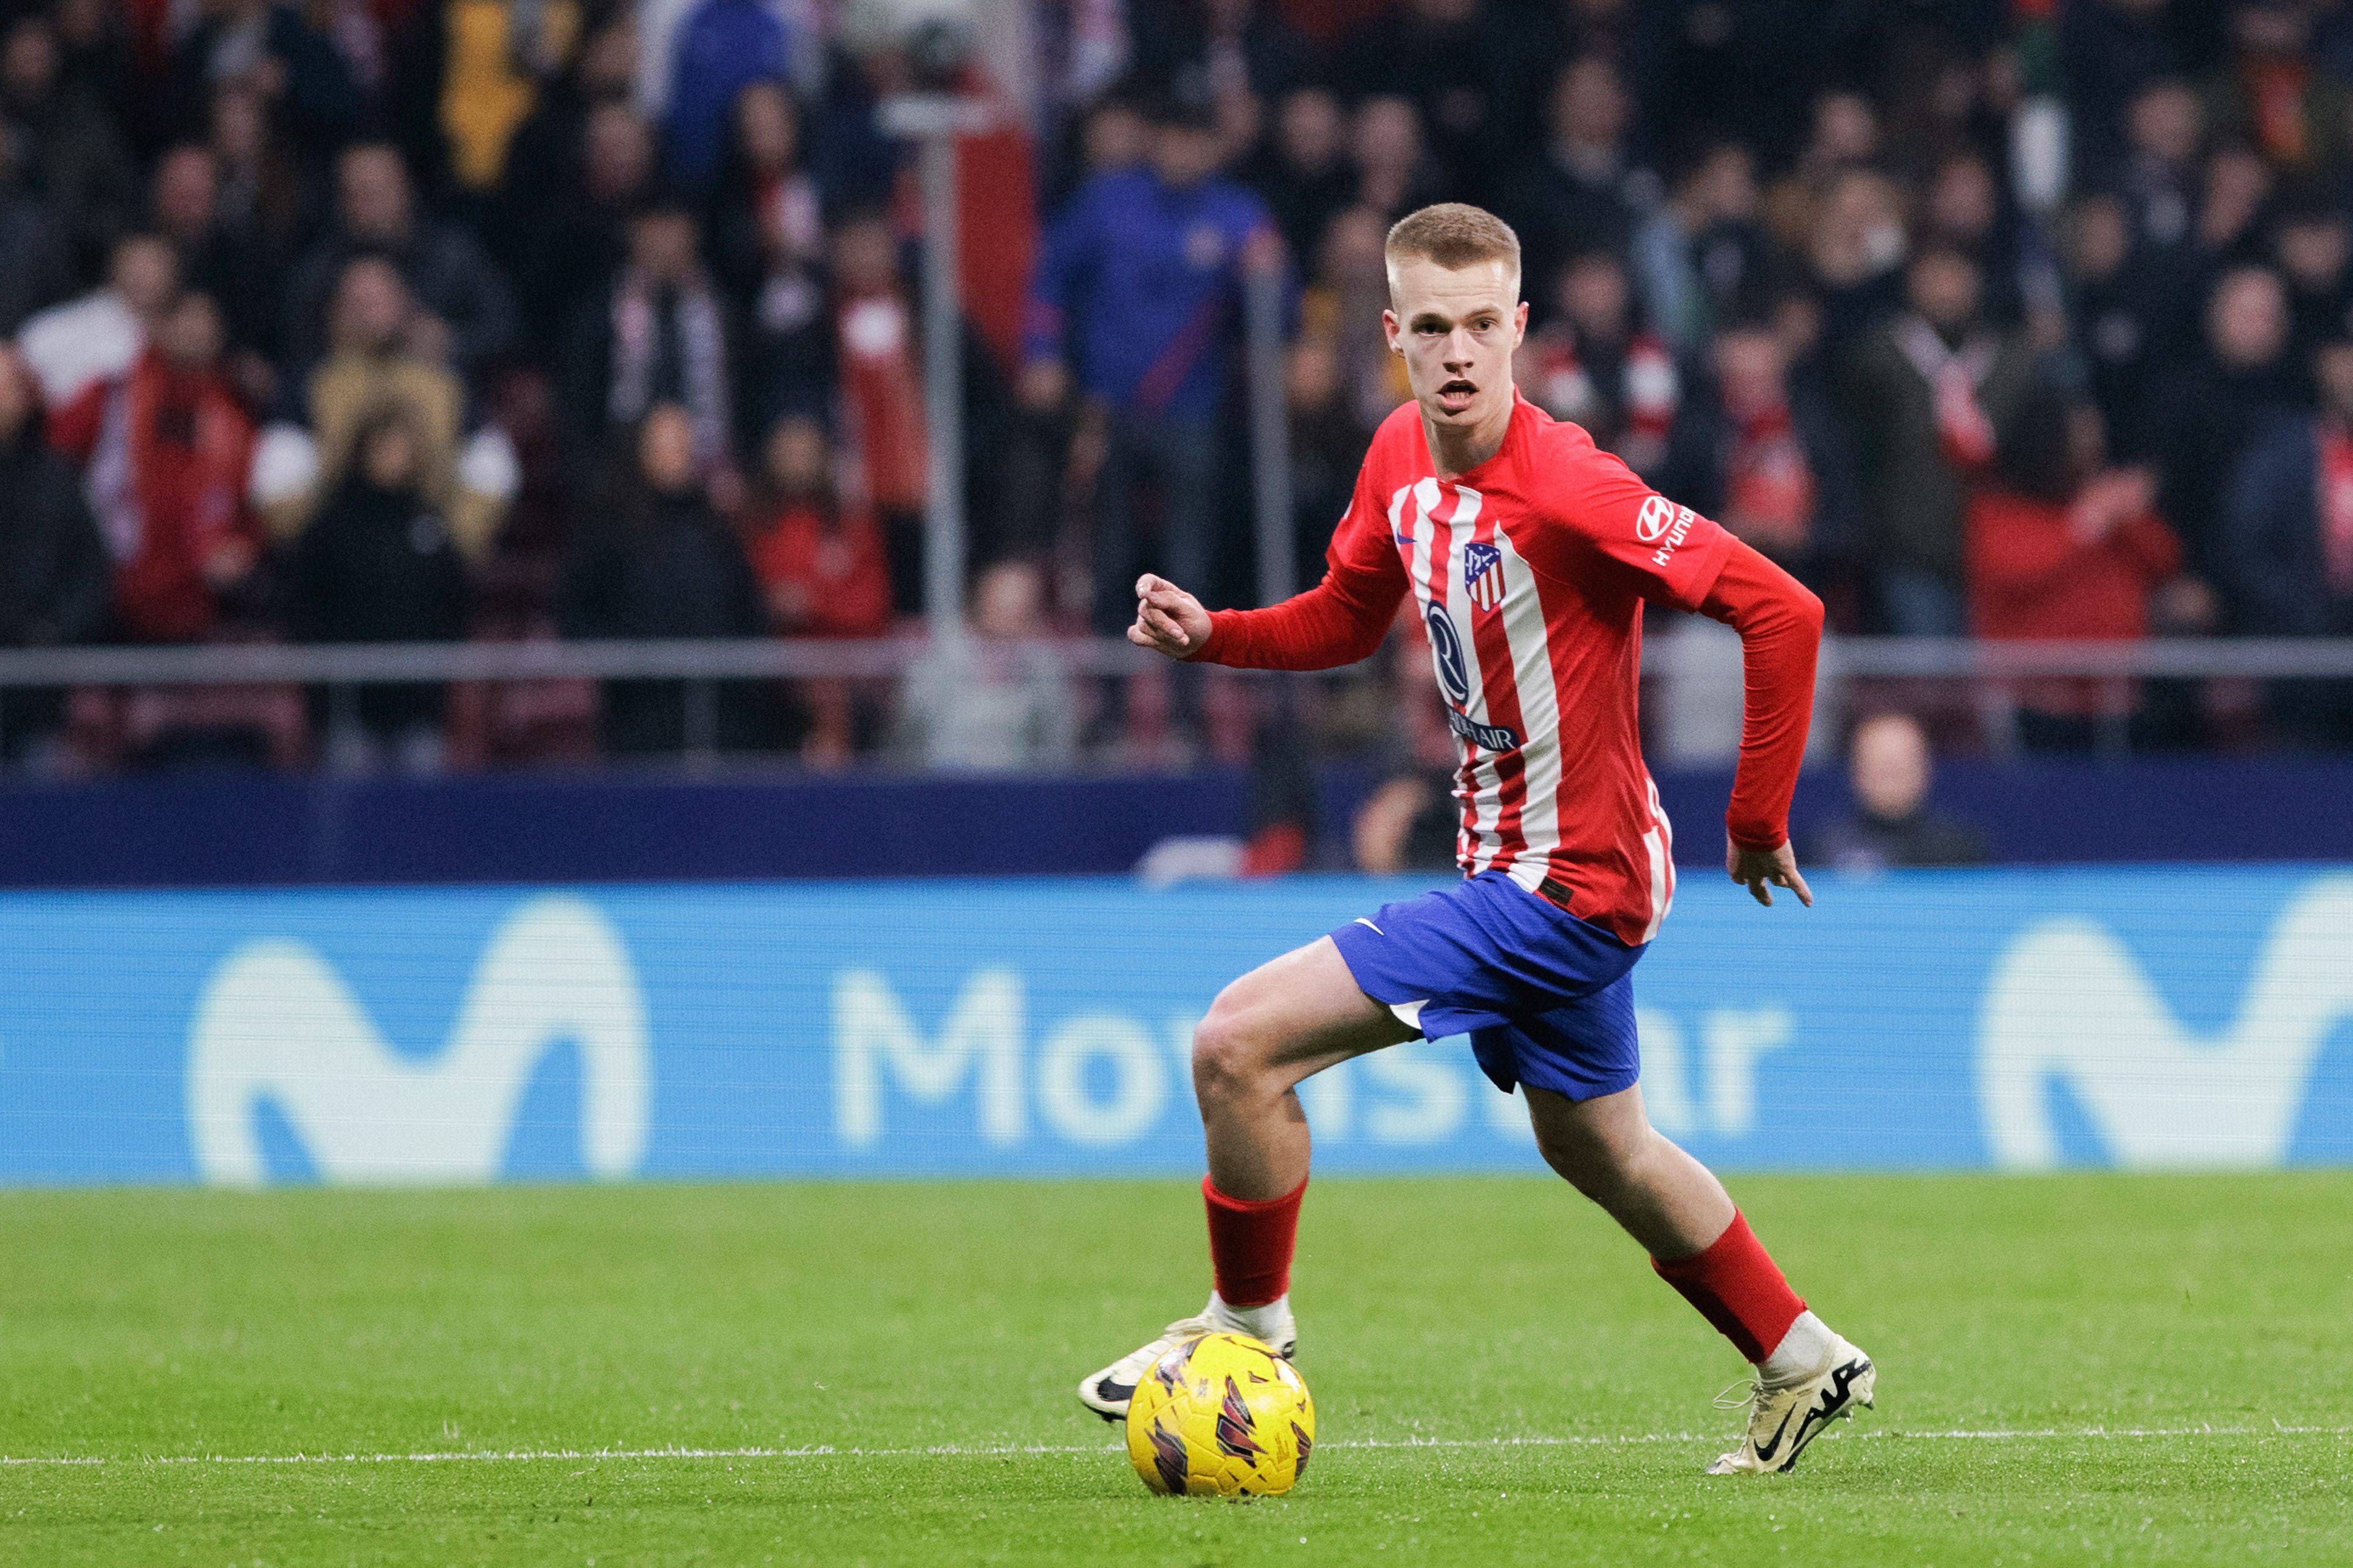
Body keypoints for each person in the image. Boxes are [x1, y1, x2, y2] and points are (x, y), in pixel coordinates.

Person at [1089, 204, 1872, 1477]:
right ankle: (1801, 1358)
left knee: (1237, 1046)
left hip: (1568, 888)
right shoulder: (1400, 453)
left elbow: (1781, 608)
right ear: (1393, 336)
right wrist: (1215, 633)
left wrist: (1758, 815)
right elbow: (1346, 617)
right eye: (1430, 330)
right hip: (1511, 865)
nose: (1456, 354)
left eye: (1479, 328)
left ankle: (1244, 1332)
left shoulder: (1572, 487)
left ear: (1520, 332)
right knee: (1597, 1142)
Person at [1022, 88, 1280, 633]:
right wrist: (1041, 351)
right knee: (1109, 549)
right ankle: (1108, 700)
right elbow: (1050, 277)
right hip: (1106, 407)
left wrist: (1268, 277)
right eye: (1172, 137)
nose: (1182, 151)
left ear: (1213, 146)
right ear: (1153, 140)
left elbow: (1278, 311)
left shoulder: (1239, 215)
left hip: (1193, 408)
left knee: (1188, 554)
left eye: (1195, 139)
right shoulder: (1106, 202)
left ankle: (1188, 697)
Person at [290, 406, 472, 771]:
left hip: (419, 703)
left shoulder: (429, 523)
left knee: (421, 817)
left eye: (402, 447)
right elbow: (303, 601)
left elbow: (457, 600)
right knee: (348, 814)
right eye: (384, 446)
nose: (394, 456)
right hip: (348, 705)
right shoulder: (332, 527)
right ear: (363, 451)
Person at [1802, 711, 1987, 872]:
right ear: (1856, 770)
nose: (1891, 775)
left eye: (1901, 764)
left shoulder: (1959, 850)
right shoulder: (1823, 848)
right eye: (1879, 764)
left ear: (1925, 769)